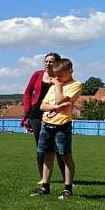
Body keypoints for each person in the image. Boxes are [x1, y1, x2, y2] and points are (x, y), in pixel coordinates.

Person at [31, 58, 81, 200]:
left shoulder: (75, 85)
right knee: (47, 155)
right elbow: (42, 106)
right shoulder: (54, 86)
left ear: (70, 70)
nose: (57, 77)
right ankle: (45, 187)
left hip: (62, 126)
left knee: (65, 156)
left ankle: (68, 189)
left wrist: (58, 86)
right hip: (46, 124)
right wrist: (55, 107)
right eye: (55, 74)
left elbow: (60, 100)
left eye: (60, 74)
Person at [22, 52, 65, 183]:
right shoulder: (37, 74)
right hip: (36, 113)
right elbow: (27, 92)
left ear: (57, 63)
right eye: (46, 61)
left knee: (59, 147)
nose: (47, 64)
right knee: (41, 146)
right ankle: (43, 178)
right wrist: (27, 110)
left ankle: (66, 179)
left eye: (51, 61)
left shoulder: (61, 77)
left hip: (55, 113)